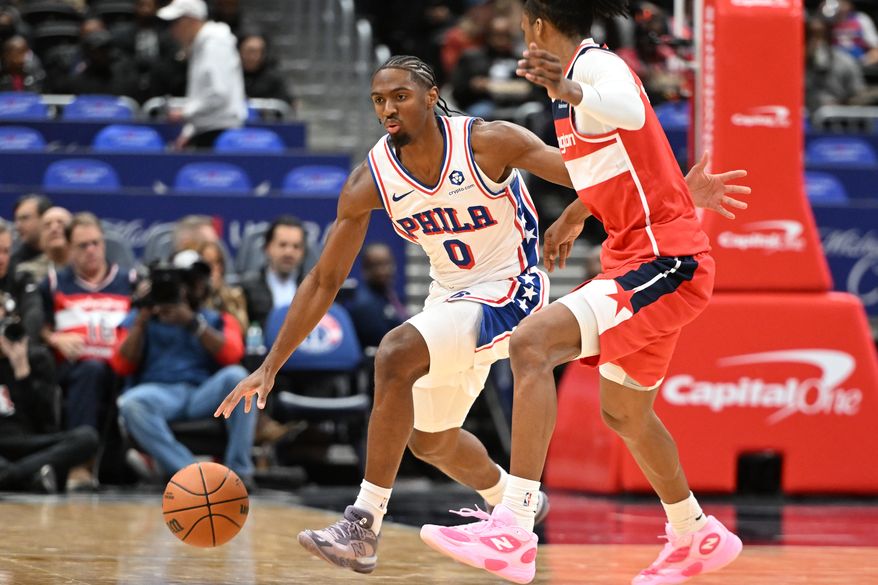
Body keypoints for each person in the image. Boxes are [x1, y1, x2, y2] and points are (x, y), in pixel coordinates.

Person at [214, 54, 746, 575]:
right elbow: (323, 280)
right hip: (449, 299)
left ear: (430, 96)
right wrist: (272, 364)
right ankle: (506, 498)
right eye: (379, 100)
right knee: (429, 439)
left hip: (513, 291)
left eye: (400, 96)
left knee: (397, 353)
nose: (389, 109)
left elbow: (590, 173)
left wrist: (674, 190)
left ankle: (363, 525)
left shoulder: (487, 141)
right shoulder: (369, 180)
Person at [420, 2, 749, 584]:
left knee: (531, 344)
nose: (522, 33)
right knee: (625, 413)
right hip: (639, 253)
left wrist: (569, 86)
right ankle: (695, 533)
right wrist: (574, 216)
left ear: (539, 26)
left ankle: (515, 525)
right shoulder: (574, 85)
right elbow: (620, 158)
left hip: (666, 260)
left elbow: (623, 108)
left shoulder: (597, 67)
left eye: (524, 23)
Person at [112, 250, 254, 483]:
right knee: (131, 403)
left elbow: (233, 354)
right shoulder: (142, 317)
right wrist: (141, 318)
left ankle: (239, 474)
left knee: (239, 377)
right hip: (159, 393)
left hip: (203, 392)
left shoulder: (214, 318)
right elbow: (121, 365)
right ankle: (195, 475)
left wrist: (192, 323)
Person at [40, 213, 133, 490]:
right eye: (82, 246)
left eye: (95, 243)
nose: (91, 250)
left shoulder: (129, 280)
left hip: (120, 365)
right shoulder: (54, 283)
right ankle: (79, 465)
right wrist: (54, 337)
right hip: (75, 369)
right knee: (91, 370)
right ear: (69, 249)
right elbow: (37, 328)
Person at [158, 0, 247, 149]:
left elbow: (219, 93)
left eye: (176, 23)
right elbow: (202, 95)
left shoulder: (215, 44)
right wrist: (189, 132)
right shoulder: (203, 45)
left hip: (219, 136)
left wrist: (184, 113)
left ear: (191, 20)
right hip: (207, 131)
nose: (172, 31)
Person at [239, 215, 307, 329]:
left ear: (303, 252)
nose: (289, 252)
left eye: (296, 246)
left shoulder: (314, 290)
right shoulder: (246, 290)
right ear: (267, 247)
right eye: (282, 245)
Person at [346, 243, 408, 349]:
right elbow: (384, 342)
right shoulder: (364, 305)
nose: (384, 270)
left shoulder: (389, 296)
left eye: (387, 263)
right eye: (377, 265)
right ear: (365, 270)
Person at [10, 194, 52, 273]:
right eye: (16, 220)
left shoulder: (67, 257)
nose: (18, 226)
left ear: (45, 218)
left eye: (25, 218)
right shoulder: (13, 263)